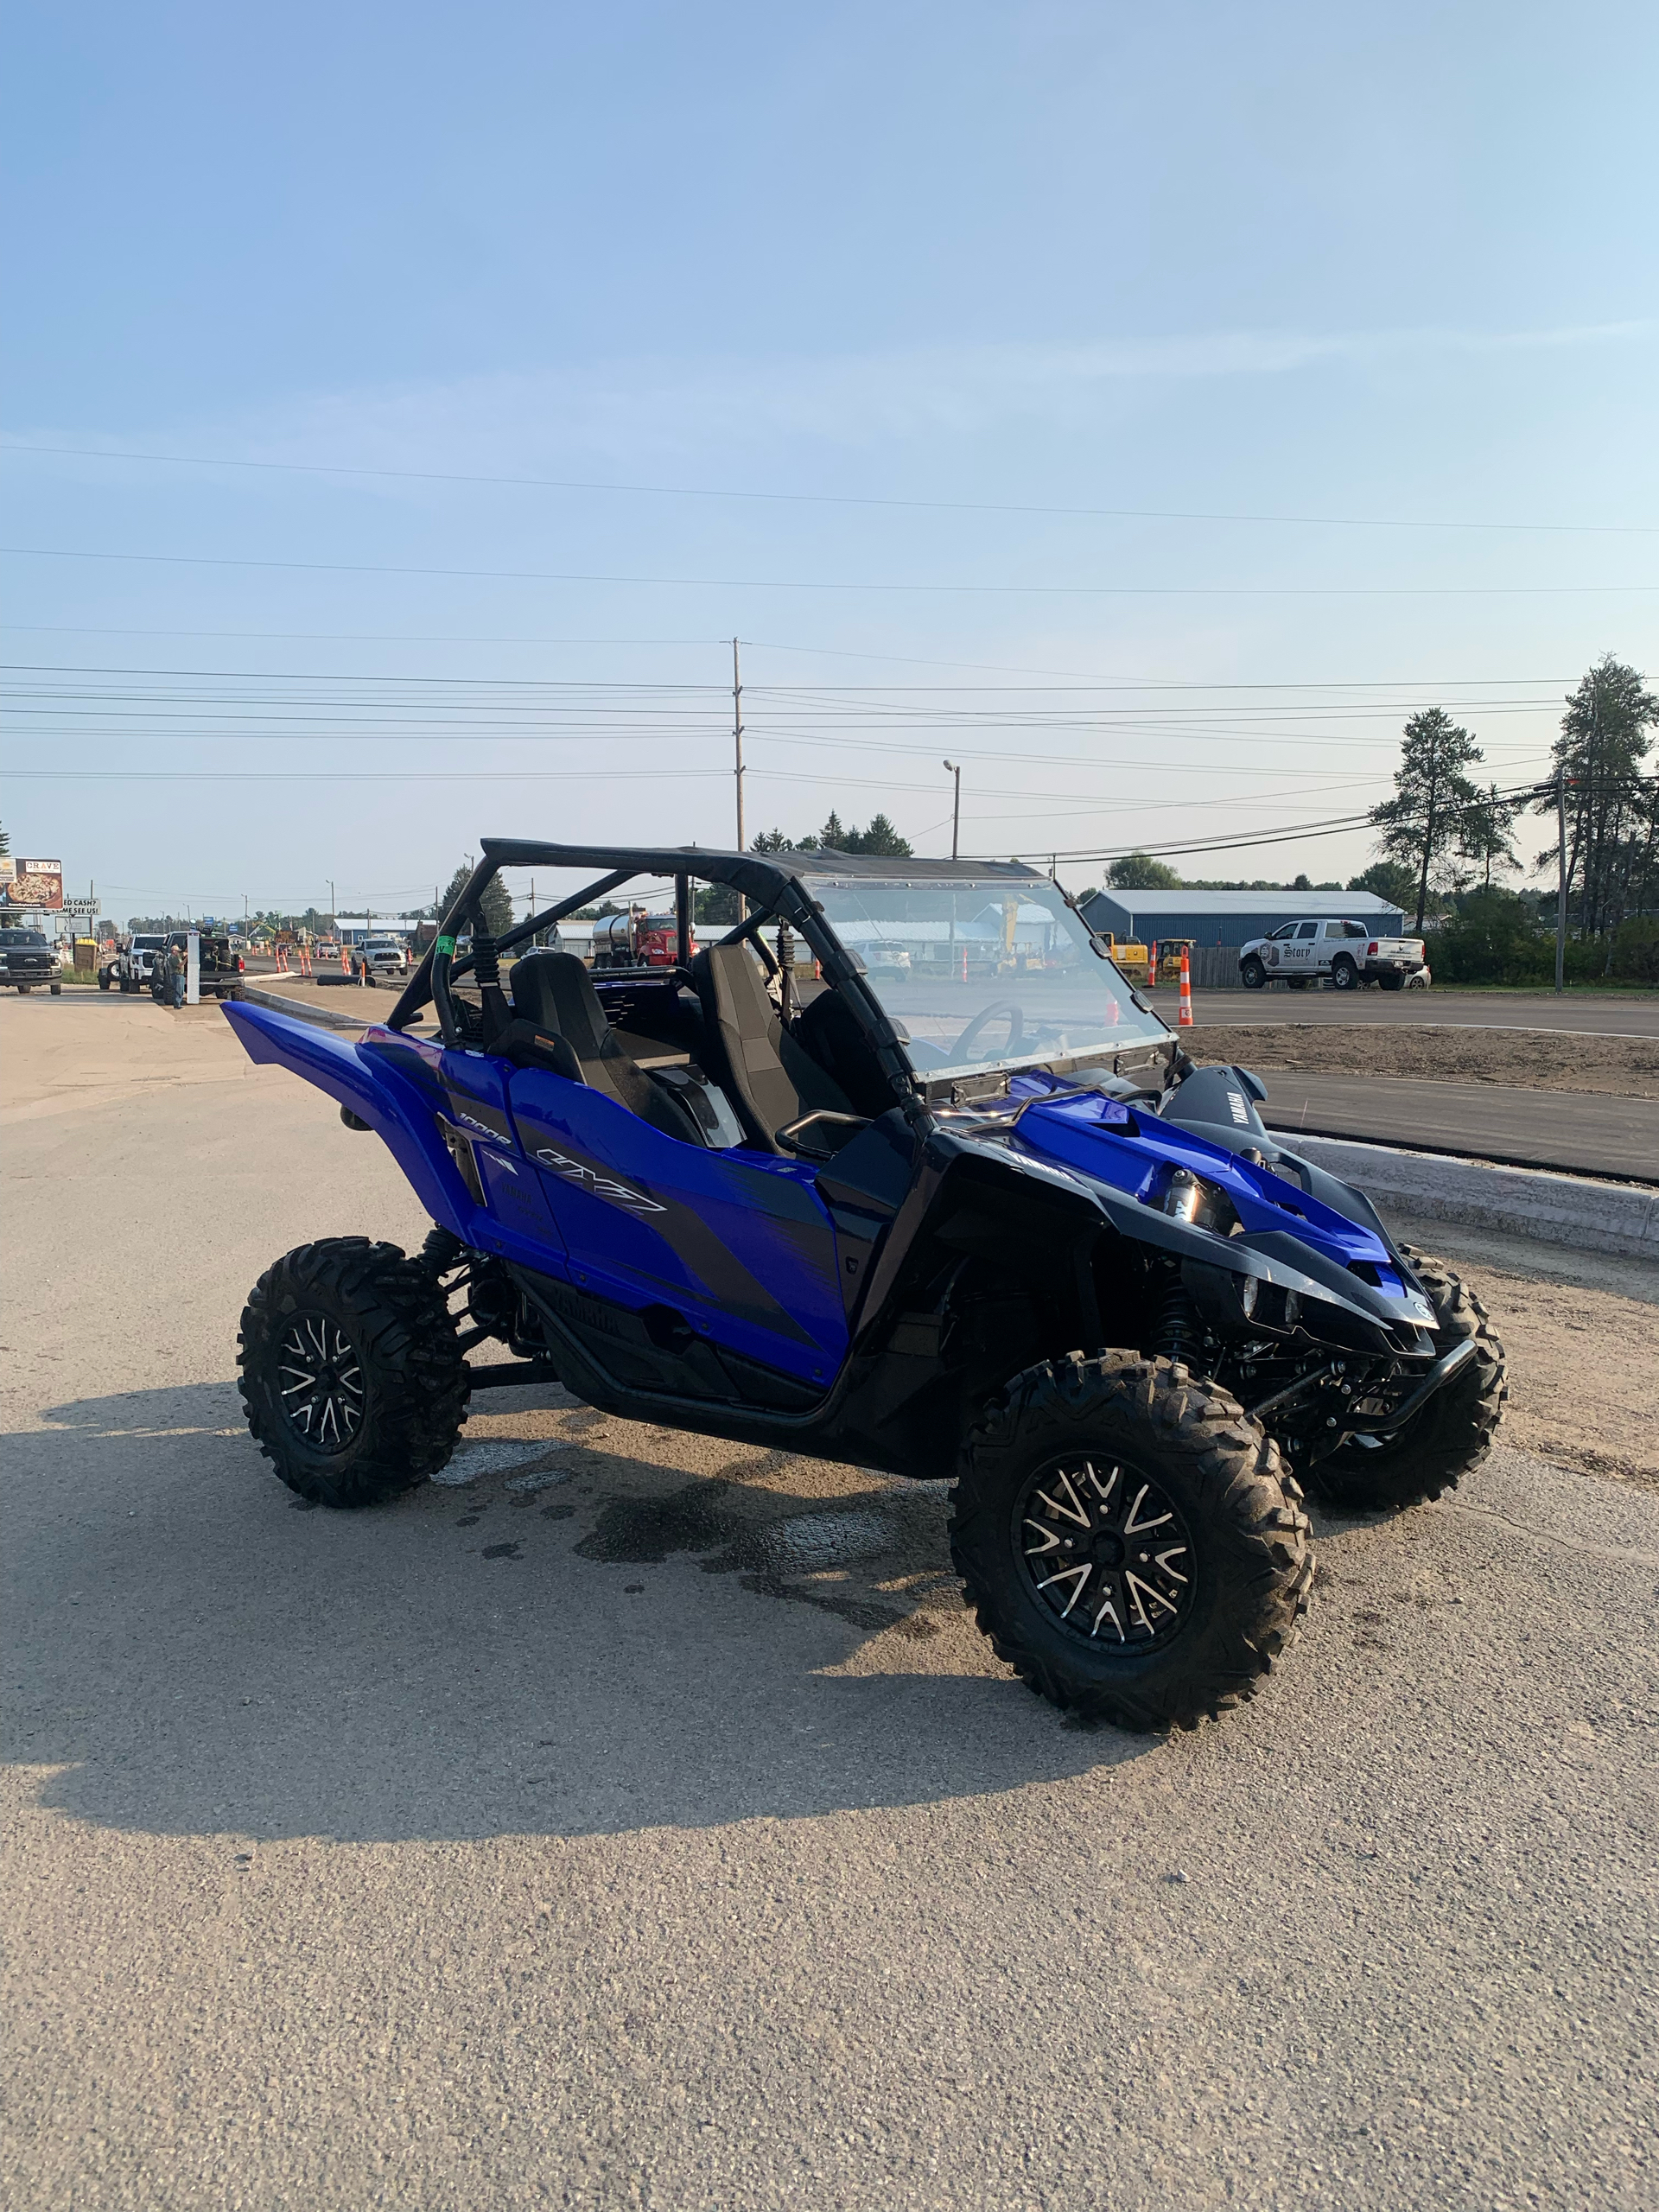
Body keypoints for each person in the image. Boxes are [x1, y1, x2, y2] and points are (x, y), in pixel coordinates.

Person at [167, 939, 188, 1008]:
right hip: (176, 975)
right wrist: (185, 960)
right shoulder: (172, 958)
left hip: (180, 975)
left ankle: (178, 1003)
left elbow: (184, 953)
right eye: (177, 951)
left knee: (181, 990)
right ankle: (177, 1004)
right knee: (178, 990)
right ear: (173, 951)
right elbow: (179, 965)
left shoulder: (177, 956)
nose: (178, 952)